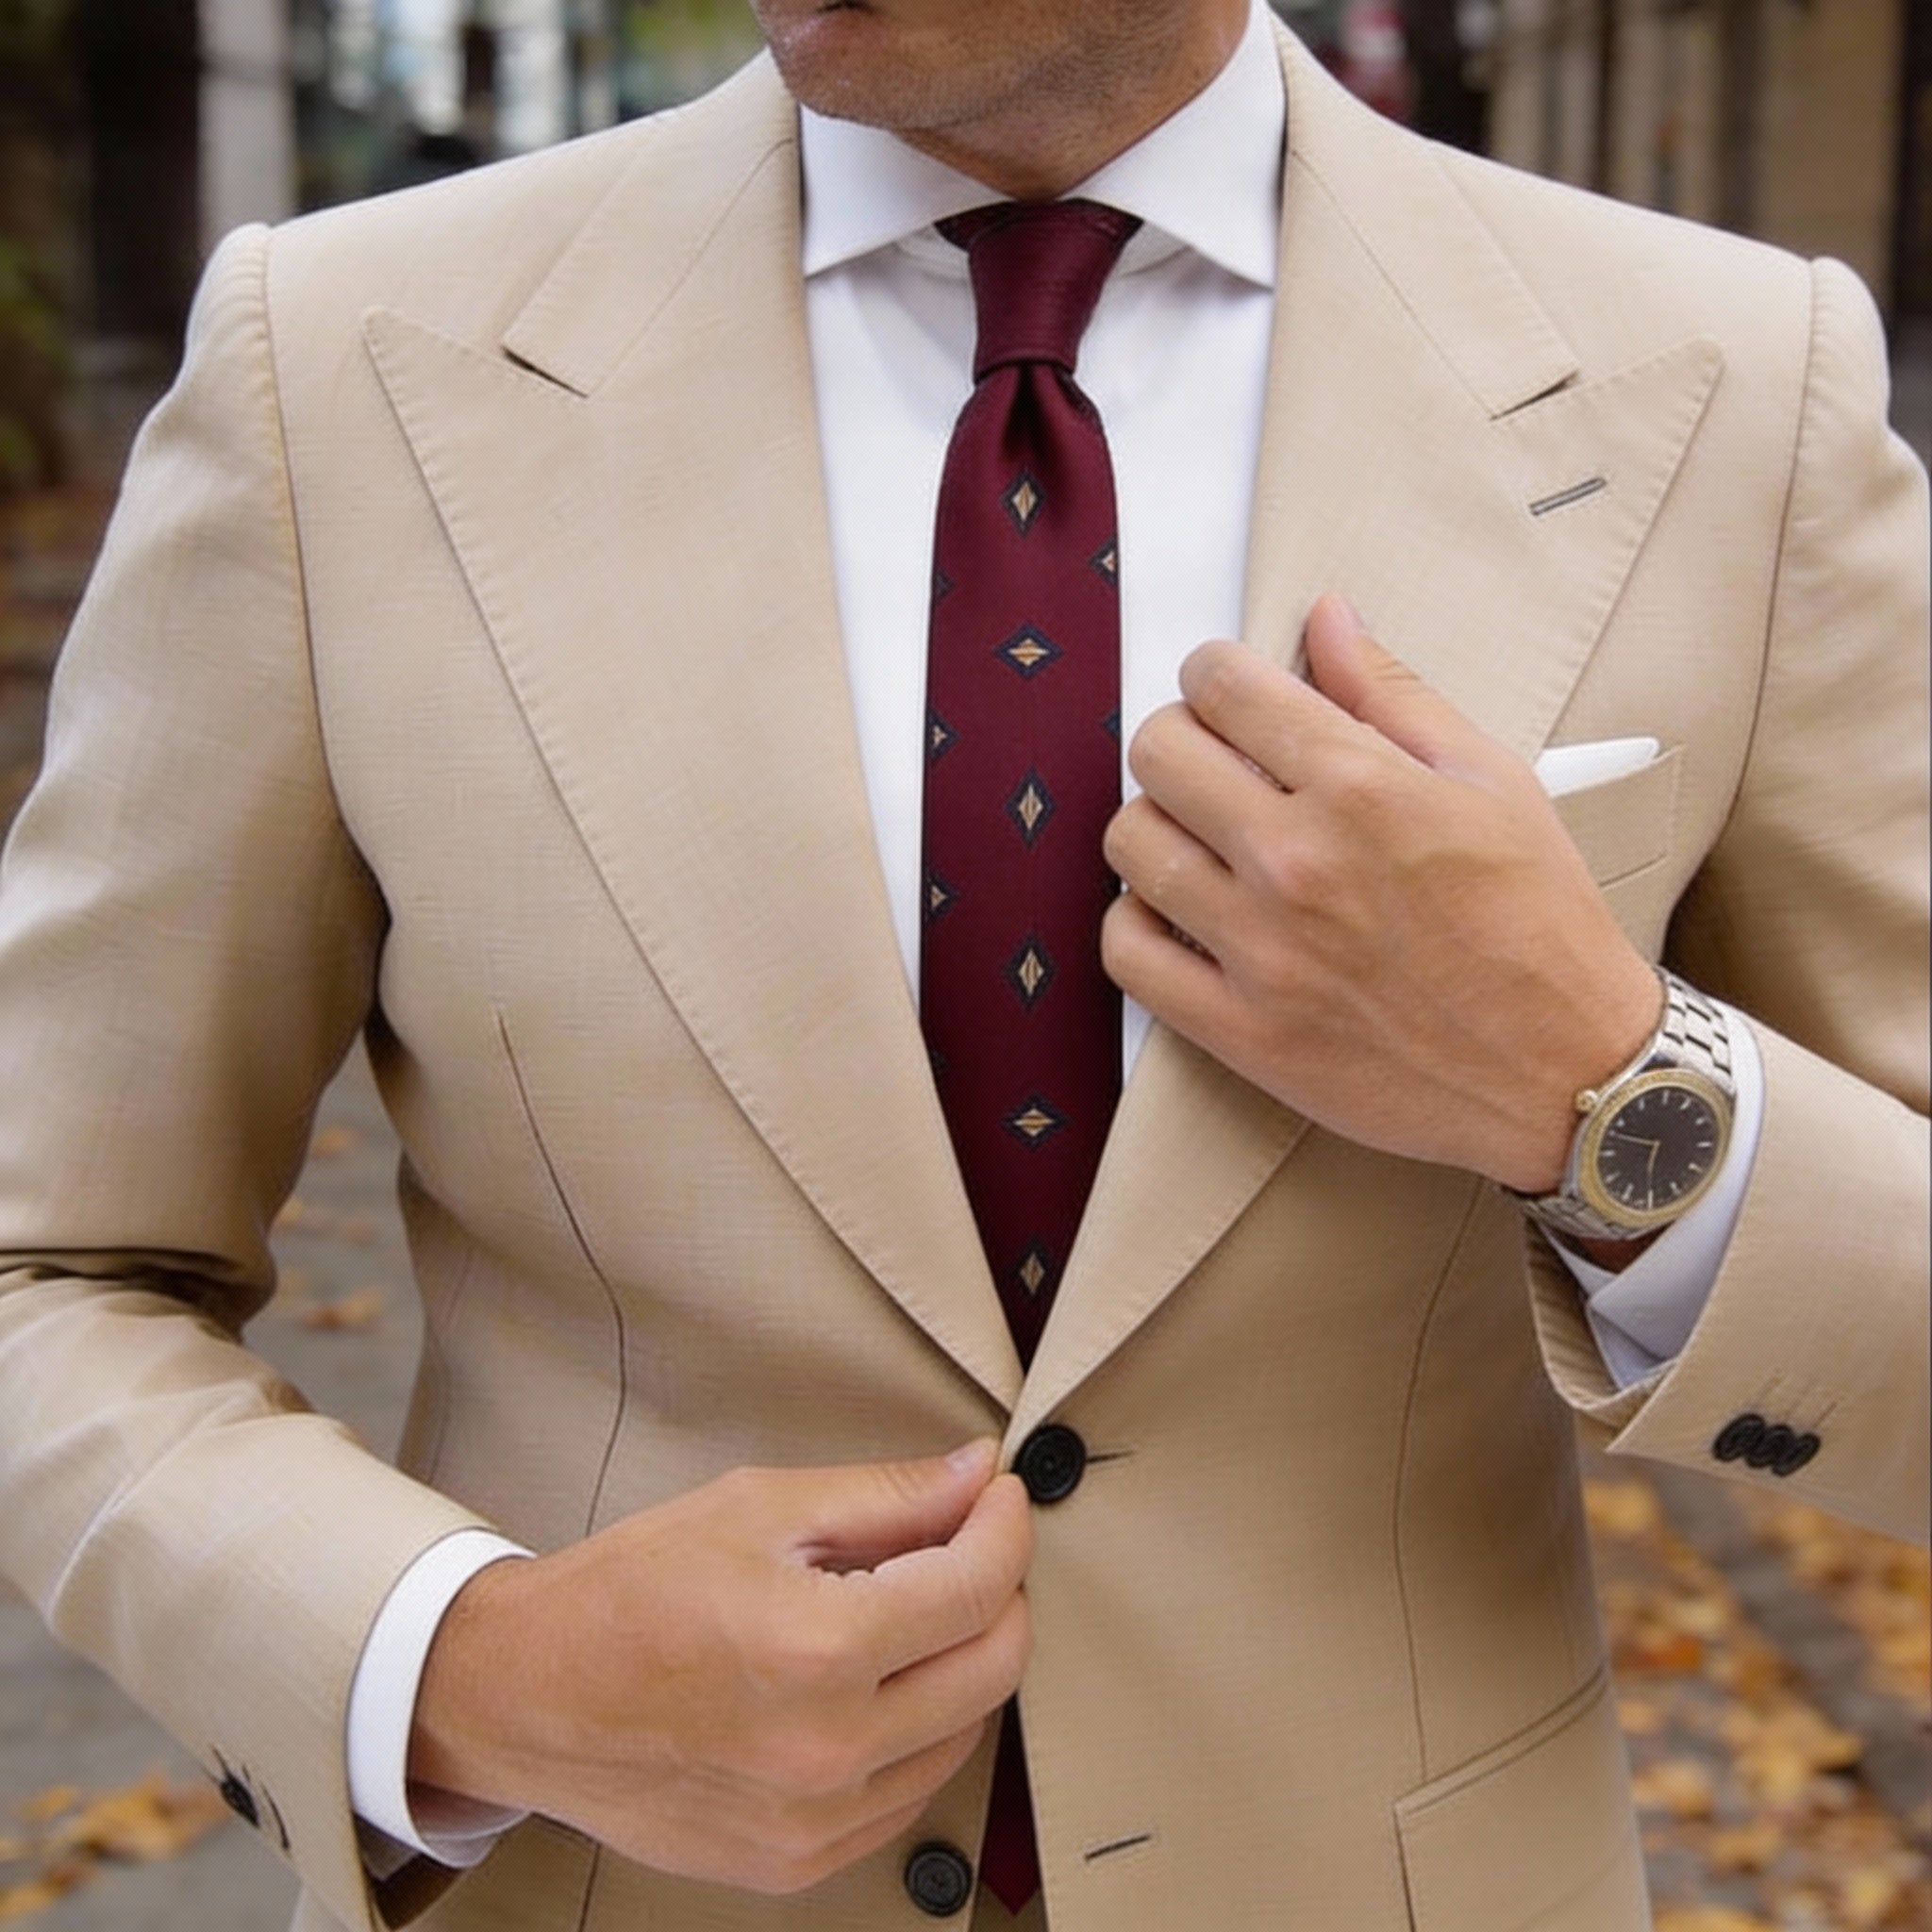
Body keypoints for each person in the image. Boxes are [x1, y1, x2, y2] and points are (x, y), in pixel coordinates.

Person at [0, 0, 1924, 1928]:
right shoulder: (333, 367)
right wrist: (460, 1666)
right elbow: (48, 1260)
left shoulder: (1732, 388)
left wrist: (1602, 1085)